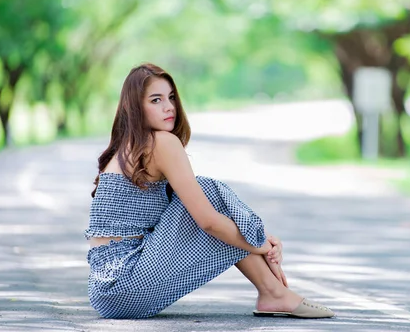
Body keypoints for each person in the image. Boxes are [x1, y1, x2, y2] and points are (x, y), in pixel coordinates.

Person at [84, 63, 335, 319]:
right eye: (156, 100)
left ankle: (273, 292)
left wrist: (261, 239)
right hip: (126, 285)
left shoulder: (126, 148)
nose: (169, 106)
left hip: (106, 293)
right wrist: (262, 245)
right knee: (208, 192)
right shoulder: (160, 143)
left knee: (203, 197)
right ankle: (273, 292)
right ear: (134, 107)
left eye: (171, 97)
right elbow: (208, 222)